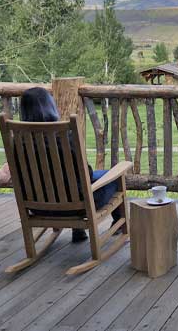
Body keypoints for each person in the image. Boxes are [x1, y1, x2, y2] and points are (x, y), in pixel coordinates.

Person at [18, 87, 121, 243]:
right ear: (49, 106)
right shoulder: (65, 135)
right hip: (78, 206)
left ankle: (78, 231)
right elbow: (87, 173)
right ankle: (119, 225)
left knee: (83, 180)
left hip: (37, 207)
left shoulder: (17, 139)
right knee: (115, 175)